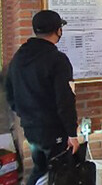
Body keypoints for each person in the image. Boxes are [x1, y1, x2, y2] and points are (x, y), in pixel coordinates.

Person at [5, 10, 79, 185]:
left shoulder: (19, 57)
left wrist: (23, 113)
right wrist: (72, 133)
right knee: (57, 173)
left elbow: (9, 90)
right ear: (58, 30)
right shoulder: (57, 59)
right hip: (53, 130)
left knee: (41, 169)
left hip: (30, 127)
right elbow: (65, 100)